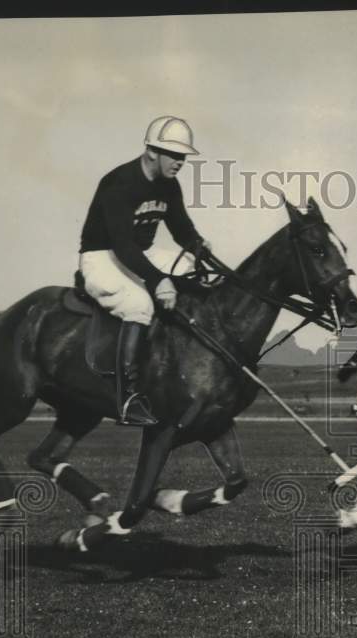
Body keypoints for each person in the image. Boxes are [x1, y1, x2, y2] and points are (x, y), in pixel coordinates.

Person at [78, 116, 212, 426]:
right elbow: (123, 246)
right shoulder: (119, 182)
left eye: (183, 157)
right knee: (141, 303)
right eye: (174, 155)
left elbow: (182, 230)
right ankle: (127, 397)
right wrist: (158, 280)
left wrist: (200, 249)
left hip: (140, 253)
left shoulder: (169, 185)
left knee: (191, 272)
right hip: (102, 255)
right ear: (152, 151)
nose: (180, 162)